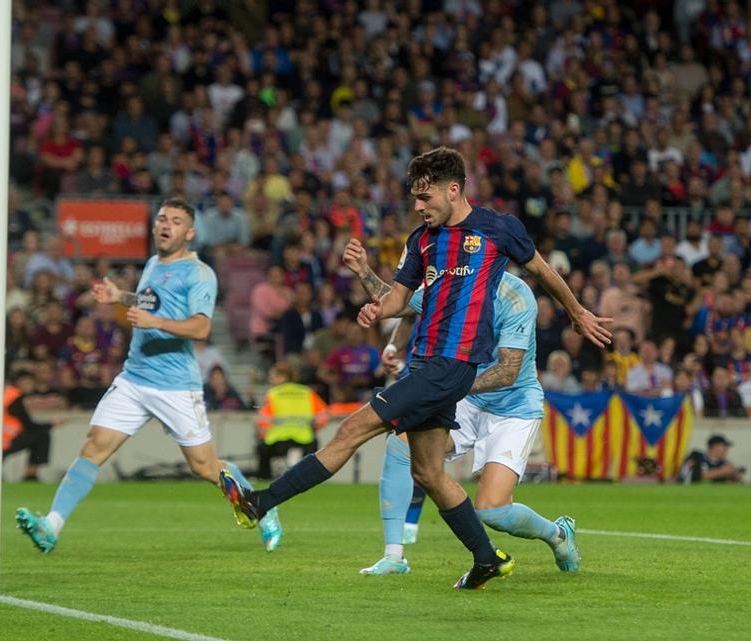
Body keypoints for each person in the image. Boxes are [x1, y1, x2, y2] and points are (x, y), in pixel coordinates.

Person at [219, 147, 610, 589]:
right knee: (428, 472)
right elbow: (397, 302)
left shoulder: (498, 229)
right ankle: (487, 559)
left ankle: (261, 502)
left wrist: (577, 313)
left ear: (454, 189)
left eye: (426, 198)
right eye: (414, 199)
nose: (419, 207)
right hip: (427, 362)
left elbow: (543, 272)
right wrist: (374, 309)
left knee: (352, 429)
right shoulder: (420, 241)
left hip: (448, 367)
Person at [15, 199, 283, 553]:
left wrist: (154, 323)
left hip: (175, 386)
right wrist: (119, 297)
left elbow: (201, 328)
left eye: (175, 221)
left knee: (204, 467)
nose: (165, 225)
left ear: (189, 233)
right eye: (161, 219)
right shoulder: (154, 263)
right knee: (94, 446)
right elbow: (150, 302)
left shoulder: (199, 273)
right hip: (134, 378)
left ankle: (263, 507)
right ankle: (51, 526)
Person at [359, 271, 578, 576]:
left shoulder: (516, 296)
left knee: (493, 510)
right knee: (400, 443)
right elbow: (399, 301)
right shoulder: (454, 282)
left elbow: (507, 373)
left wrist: (447, 386)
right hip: (468, 399)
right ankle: (394, 556)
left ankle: (558, 534)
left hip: (512, 408)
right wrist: (362, 271)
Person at [255, 362, 329, 479]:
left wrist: (262, 434)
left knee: (262, 451)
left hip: (277, 441)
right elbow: (323, 416)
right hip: (306, 441)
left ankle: (264, 480)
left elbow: (263, 421)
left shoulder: (273, 394)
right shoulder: (307, 392)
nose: (270, 379)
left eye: (273, 376)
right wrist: (313, 428)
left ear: (283, 377)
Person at [3, 370, 55, 481]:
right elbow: (28, 424)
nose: (30, 385)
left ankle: (30, 474)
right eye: (26, 382)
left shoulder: (7, 394)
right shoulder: (15, 398)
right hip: (5, 438)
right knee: (42, 436)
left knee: (40, 436)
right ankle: (31, 474)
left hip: (2, 436)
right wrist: (51, 424)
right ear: (18, 383)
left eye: (31, 382)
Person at [678, 435, 745, 483]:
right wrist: (721, 472)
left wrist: (735, 475)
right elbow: (689, 476)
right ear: (714, 446)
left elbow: (738, 481)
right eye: (724, 446)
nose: (726, 449)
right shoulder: (696, 456)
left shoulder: (724, 463)